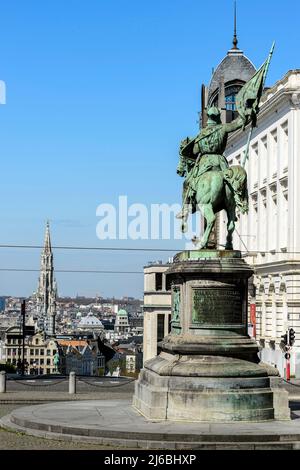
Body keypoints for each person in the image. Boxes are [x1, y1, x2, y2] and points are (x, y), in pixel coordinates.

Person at [176, 106, 250, 220]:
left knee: (187, 183)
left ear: (208, 118)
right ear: (218, 117)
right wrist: (249, 113)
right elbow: (239, 124)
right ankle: (233, 210)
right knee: (231, 182)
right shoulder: (224, 128)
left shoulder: (201, 134)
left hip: (205, 163)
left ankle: (185, 209)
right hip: (220, 163)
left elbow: (195, 150)